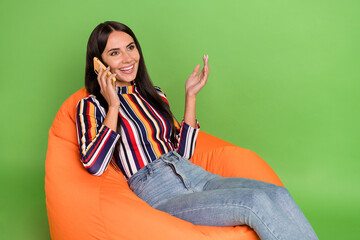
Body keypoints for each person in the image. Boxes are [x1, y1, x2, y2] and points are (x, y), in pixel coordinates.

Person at [75, 21, 318, 240]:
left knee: (278, 194)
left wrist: (190, 97)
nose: (128, 59)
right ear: (99, 62)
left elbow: (184, 152)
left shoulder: (154, 94)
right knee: (253, 203)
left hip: (196, 175)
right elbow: (94, 164)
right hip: (160, 193)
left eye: (131, 48)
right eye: (114, 53)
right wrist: (114, 104)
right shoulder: (93, 106)